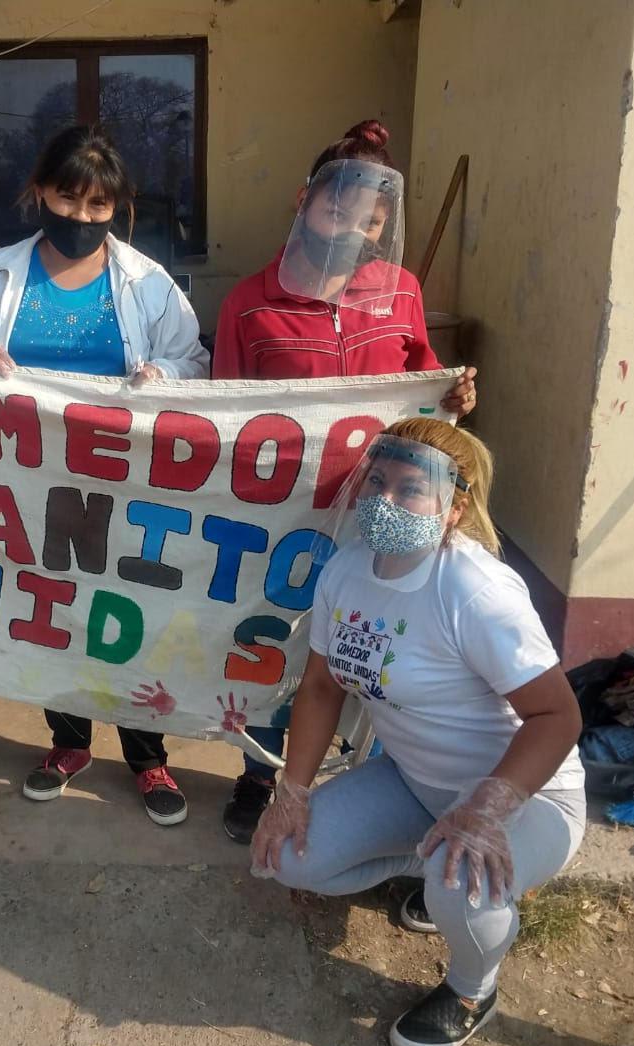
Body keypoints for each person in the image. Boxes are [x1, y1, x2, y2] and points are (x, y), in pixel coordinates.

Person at [249, 418, 585, 1046]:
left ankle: (470, 989)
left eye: (411, 488)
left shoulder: (474, 589)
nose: (384, 500)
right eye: (376, 481)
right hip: (414, 781)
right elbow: (321, 688)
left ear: (455, 506)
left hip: (527, 798)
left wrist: (485, 813)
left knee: (458, 883)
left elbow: (558, 718)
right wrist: (290, 791)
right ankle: (429, 868)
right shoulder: (346, 571)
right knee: (288, 856)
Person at [212, 120, 479, 843]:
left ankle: (381, 775)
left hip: (381, 517)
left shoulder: (400, 291)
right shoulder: (248, 302)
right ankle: (258, 778)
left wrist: (455, 397)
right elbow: (224, 413)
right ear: (306, 198)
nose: (354, 217)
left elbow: (423, 379)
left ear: (384, 220)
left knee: (382, 643)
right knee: (280, 642)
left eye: (373, 210)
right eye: (338, 198)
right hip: (287, 516)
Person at [0, 124, 209, 826]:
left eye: (99, 207)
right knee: (51, 607)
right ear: (40, 193)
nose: (82, 219)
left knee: (126, 612)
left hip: (124, 480)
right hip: (29, 479)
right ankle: (68, 743)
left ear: (117, 210)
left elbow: (195, 362)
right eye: (69, 199)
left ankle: (147, 756)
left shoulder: (148, 284)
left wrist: (163, 372)